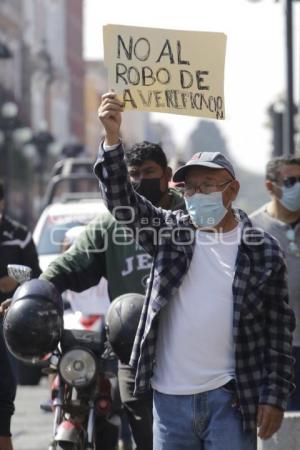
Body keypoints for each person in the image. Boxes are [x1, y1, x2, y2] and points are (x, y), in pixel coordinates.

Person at [93, 92, 296, 450]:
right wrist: (112, 140)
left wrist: (275, 395)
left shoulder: (262, 251)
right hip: (170, 404)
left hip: (232, 400)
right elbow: (122, 201)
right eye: (189, 188)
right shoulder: (169, 233)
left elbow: (278, 331)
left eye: (206, 186)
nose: (195, 195)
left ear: (231, 191)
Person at [38, 142, 185, 450]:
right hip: (132, 349)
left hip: (185, 348)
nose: (139, 180)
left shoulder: (187, 215)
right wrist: (36, 290)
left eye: (148, 172)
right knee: (146, 436)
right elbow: (72, 263)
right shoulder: (111, 222)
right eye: (132, 173)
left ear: (166, 175)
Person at [250, 156, 300, 410]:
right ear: (271, 187)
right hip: (272, 352)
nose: (298, 187)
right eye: (292, 181)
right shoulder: (252, 230)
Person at [0, 181, 41, 450]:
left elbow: (36, 276)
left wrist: (13, 287)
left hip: (8, 326)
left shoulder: (19, 235)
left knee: (4, 398)